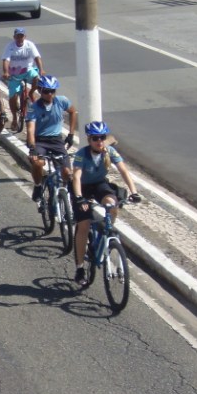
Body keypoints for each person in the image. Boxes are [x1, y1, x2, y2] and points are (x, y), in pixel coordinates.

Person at [70, 121, 142, 285]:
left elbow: (123, 170)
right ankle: (80, 268)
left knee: (112, 203)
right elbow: (77, 177)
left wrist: (134, 192)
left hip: (99, 184)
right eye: (95, 138)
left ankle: (105, 230)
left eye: (102, 137)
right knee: (84, 225)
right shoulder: (82, 154)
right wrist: (80, 197)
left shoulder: (109, 151)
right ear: (89, 139)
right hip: (82, 188)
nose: (99, 141)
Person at [25, 74, 78, 202]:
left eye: (52, 91)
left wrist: (71, 134)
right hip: (40, 141)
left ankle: (64, 197)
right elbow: (30, 129)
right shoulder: (33, 108)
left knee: (67, 172)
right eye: (47, 91)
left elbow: (73, 112)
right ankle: (38, 186)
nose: (50, 94)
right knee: (38, 163)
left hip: (56, 140)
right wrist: (32, 148)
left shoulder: (62, 101)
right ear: (40, 91)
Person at [1, 27, 44, 132]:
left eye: (21, 36)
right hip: (14, 74)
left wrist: (41, 70)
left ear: (25, 37)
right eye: (18, 36)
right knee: (13, 97)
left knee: (37, 78)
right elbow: (6, 60)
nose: (19, 38)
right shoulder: (10, 47)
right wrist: (6, 72)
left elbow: (37, 58)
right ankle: (15, 118)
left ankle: (31, 93)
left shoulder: (29, 45)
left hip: (28, 71)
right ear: (14, 37)